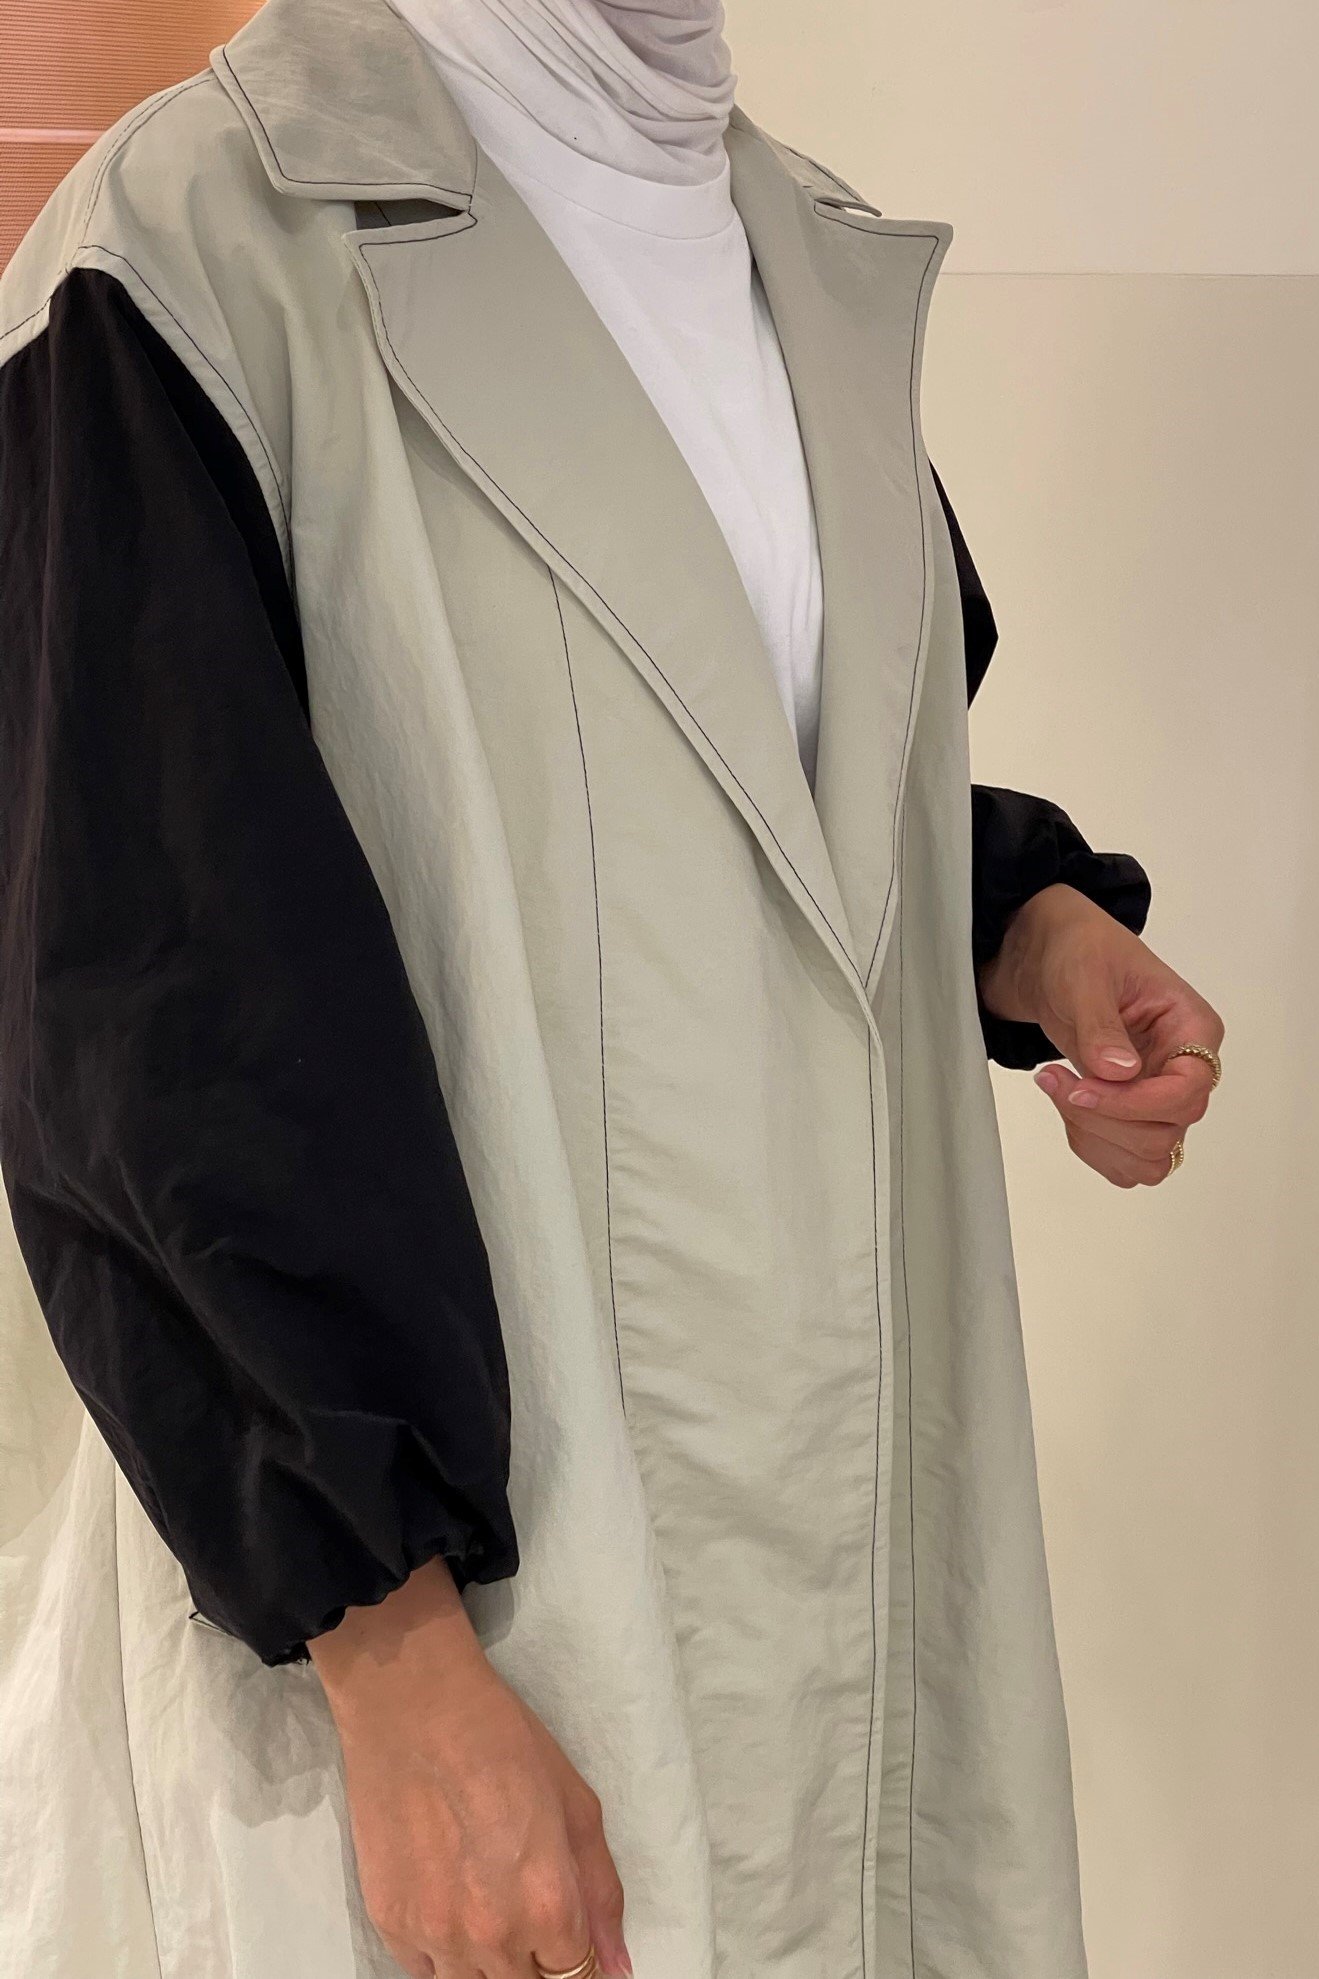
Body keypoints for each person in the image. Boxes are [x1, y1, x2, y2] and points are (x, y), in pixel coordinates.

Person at [0, 1, 1224, 1976]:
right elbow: (144, 1013)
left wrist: (1025, 915)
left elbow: (754, 760)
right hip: (461, 1661)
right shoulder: (188, 253)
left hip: (852, 1595)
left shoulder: (799, 254)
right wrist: (394, 1663)